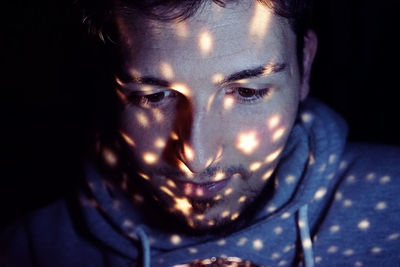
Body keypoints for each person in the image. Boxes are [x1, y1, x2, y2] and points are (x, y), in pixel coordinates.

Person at [1, 0, 399, 266]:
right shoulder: (29, 250)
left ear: (305, 66)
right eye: (154, 96)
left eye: (247, 92)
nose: (196, 154)